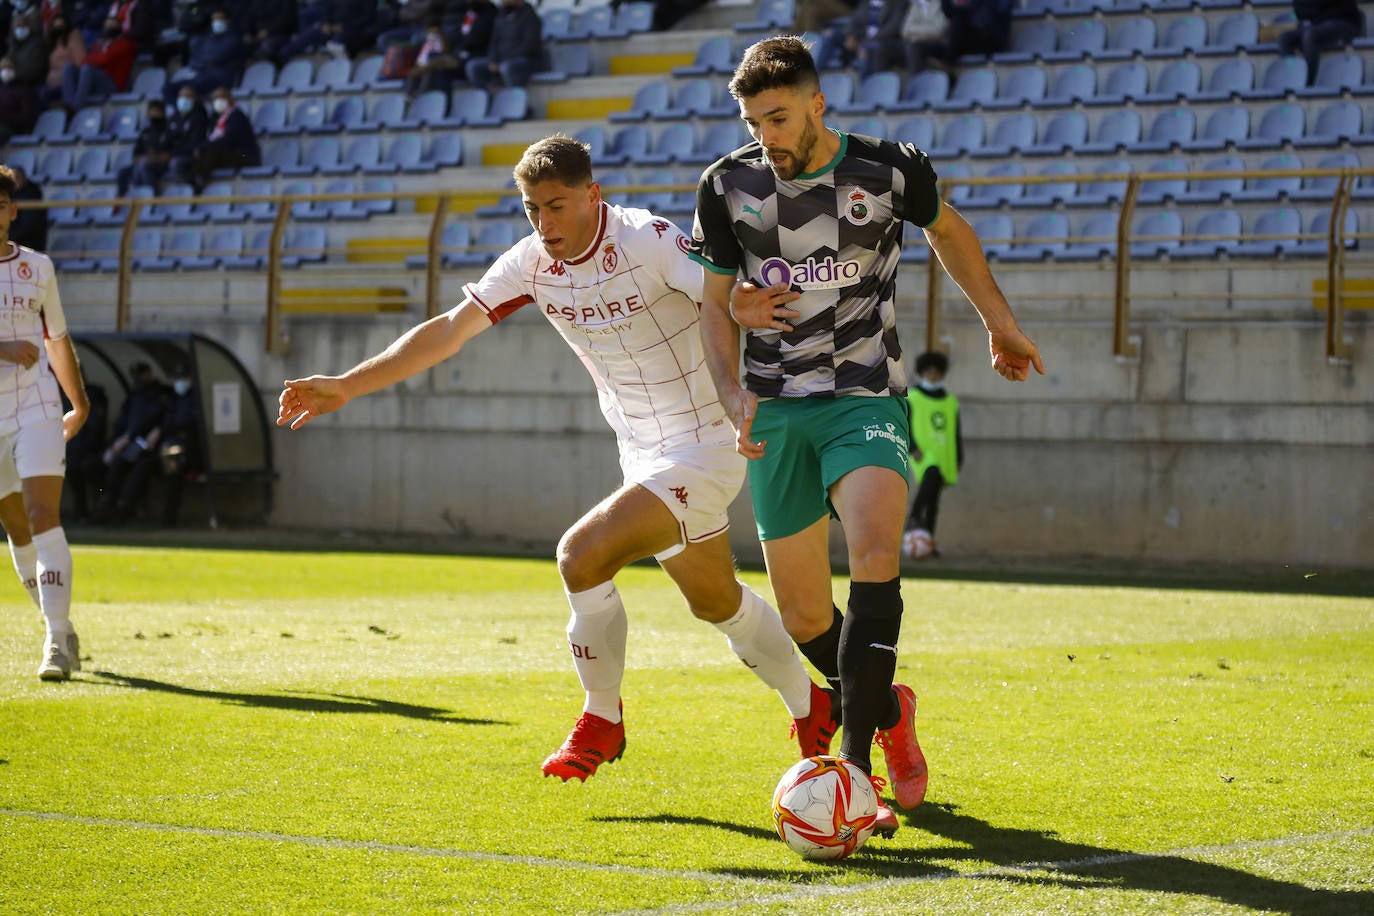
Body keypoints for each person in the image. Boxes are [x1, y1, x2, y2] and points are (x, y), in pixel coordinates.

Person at [278, 135, 840, 791]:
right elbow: (450, 329)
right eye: (531, 209)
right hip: (643, 455)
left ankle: (602, 717)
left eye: (557, 206)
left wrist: (740, 302)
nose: (545, 224)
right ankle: (814, 705)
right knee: (716, 603)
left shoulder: (647, 240)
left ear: (592, 195)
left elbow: (715, 291)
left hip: (709, 442)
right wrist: (349, 383)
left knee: (581, 554)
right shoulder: (529, 265)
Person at [691, 36, 1044, 834]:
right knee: (805, 615)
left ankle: (855, 772)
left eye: (779, 117)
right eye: (753, 122)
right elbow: (713, 306)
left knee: (876, 554)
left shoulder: (889, 170)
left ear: (818, 103)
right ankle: (890, 709)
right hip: (777, 408)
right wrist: (729, 391)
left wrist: (1002, 324)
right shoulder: (727, 185)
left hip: (865, 396)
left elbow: (948, 232)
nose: (767, 137)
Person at [0, 163, 92, 681]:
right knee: (15, 525)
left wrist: (77, 403)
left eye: (0, 206)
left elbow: (56, 338)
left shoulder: (38, 268)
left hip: (36, 407)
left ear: (12, 212)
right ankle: (60, 624)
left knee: (41, 514)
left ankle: (56, 642)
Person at [901, 350, 960, 560]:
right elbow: (905, 423)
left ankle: (928, 540)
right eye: (928, 372)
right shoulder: (913, 397)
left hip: (943, 453)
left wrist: (958, 457)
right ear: (922, 372)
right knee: (930, 478)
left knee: (934, 500)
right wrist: (912, 447)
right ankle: (914, 520)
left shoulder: (950, 401)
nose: (932, 376)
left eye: (936, 372)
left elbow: (956, 431)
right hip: (923, 453)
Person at [95, 360, 166, 524]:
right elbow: (122, 422)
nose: (138, 380)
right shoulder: (134, 396)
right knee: (114, 465)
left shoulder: (158, 395)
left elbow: (152, 420)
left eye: (140, 375)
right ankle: (106, 505)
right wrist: (114, 444)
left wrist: (132, 436)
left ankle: (124, 508)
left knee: (138, 472)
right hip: (130, 446)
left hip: (148, 448)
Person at [164, 8, 244, 102]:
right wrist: (205, 61)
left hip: (222, 77)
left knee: (188, 89)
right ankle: (179, 113)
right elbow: (195, 60)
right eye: (214, 19)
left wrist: (205, 60)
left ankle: (194, 110)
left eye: (220, 19)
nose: (216, 22)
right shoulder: (208, 38)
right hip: (204, 75)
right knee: (168, 89)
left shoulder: (233, 38)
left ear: (228, 21)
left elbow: (216, 57)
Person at [907, 0, 1011, 72]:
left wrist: (954, 9)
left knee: (958, 21)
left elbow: (970, 10)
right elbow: (950, 12)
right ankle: (923, 86)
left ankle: (947, 63)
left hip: (988, 41)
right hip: (965, 41)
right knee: (918, 47)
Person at [1277, 0, 1364, 86]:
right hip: (1318, 24)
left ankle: (1308, 82)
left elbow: (1341, 8)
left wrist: (1315, 10)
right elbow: (1299, 10)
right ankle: (1292, 71)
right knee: (1284, 39)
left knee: (1310, 35)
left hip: (1345, 22)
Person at [190, 85, 259, 191]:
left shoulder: (237, 116)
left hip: (244, 155)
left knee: (212, 150)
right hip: (228, 154)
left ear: (230, 99)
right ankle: (194, 180)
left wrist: (203, 147)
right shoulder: (216, 119)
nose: (218, 101)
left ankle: (199, 182)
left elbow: (229, 140)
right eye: (216, 98)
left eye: (222, 97)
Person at [59, 15, 136, 110]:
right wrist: (91, 59)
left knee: (88, 68)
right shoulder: (101, 43)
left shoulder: (124, 43)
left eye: (112, 26)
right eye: (107, 26)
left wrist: (90, 59)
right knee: (68, 67)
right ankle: (68, 106)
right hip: (96, 81)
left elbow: (105, 59)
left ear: (119, 28)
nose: (108, 28)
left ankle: (75, 108)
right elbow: (89, 59)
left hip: (113, 85)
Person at [463, 0, 541, 90]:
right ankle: (485, 99)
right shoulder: (501, 16)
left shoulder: (530, 16)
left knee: (506, 67)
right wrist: (494, 60)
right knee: (473, 66)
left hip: (524, 60)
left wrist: (503, 60)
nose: (504, 2)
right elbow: (494, 42)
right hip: (501, 60)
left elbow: (529, 45)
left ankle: (514, 99)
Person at [116, 98, 174, 196]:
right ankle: (121, 200)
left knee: (143, 167)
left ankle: (154, 197)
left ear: (163, 113)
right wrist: (145, 158)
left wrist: (154, 158)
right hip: (145, 162)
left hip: (162, 165)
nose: (154, 114)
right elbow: (135, 156)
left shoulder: (169, 131)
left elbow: (170, 154)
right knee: (123, 172)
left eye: (157, 112)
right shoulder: (145, 132)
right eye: (152, 111)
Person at [41, 12, 86, 107]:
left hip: (69, 82)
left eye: (61, 26)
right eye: (56, 27)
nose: (58, 30)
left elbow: (80, 61)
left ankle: (71, 110)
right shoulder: (51, 43)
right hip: (52, 84)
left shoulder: (74, 38)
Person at [0, 55, 39, 145]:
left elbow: (26, 119)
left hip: (11, 128)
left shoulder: (25, 90)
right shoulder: (1, 89)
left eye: (8, 67)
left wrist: (3, 116)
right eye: (2, 68)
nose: (5, 71)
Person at [9, 164, 45, 252]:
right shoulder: (9, 194)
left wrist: (9, 238)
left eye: (17, 177)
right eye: (11, 178)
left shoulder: (33, 194)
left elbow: (29, 225)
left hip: (29, 244)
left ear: (24, 177)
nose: (14, 180)